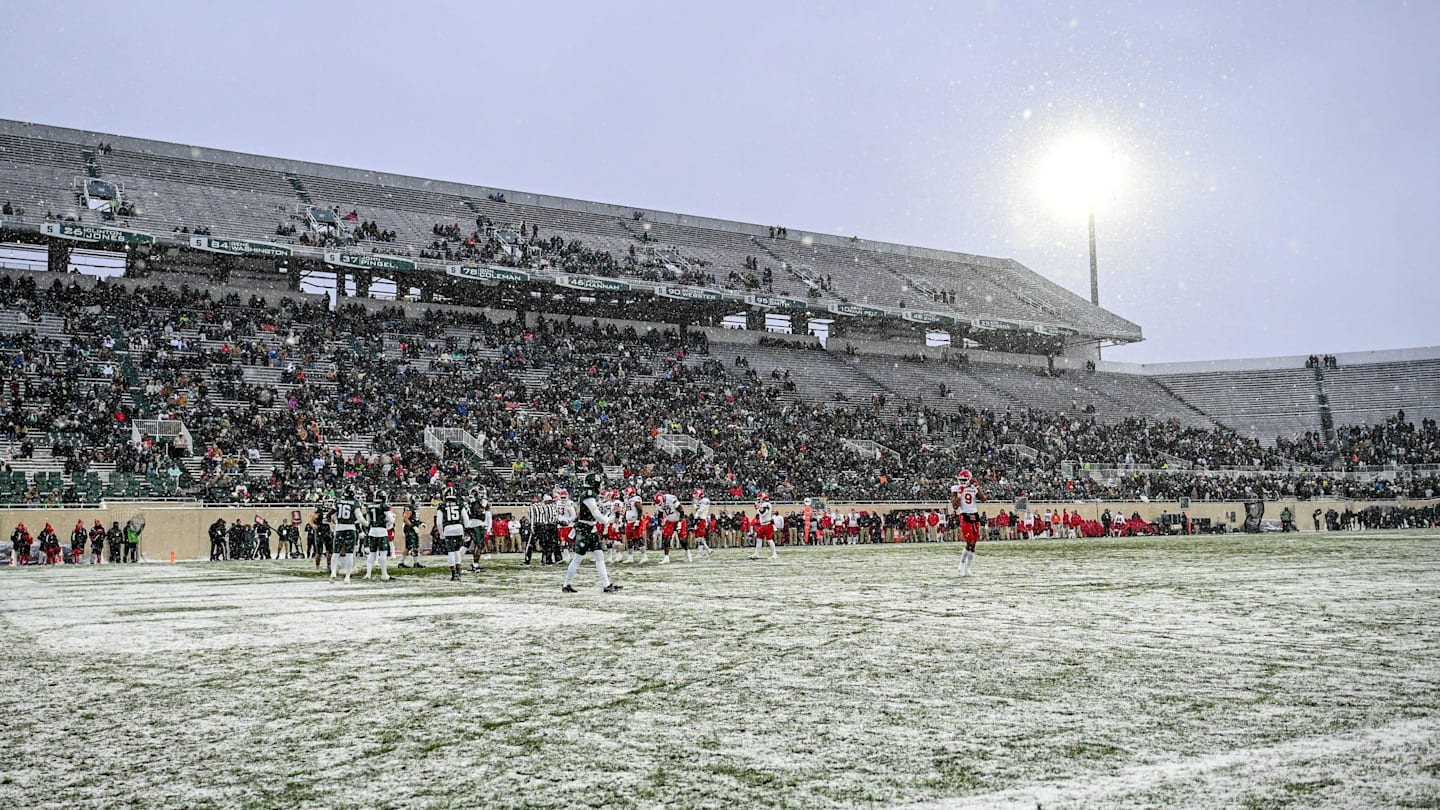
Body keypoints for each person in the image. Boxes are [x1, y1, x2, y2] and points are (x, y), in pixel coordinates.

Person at [561, 471, 622, 594]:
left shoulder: (589, 494)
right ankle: (566, 584)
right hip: (585, 529)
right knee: (578, 558)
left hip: (590, 528)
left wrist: (610, 515)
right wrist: (607, 519)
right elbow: (596, 514)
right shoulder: (588, 495)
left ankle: (606, 584)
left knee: (599, 556)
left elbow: (597, 516)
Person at [951, 469, 982, 576]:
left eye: (965, 479)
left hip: (975, 515)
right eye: (961, 480)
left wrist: (977, 487)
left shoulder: (973, 488)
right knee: (969, 542)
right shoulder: (956, 488)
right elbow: (955, 505)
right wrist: (960, 494)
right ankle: (961, 564)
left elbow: (984, 499)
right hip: (964, 515)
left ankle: (968, 568)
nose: (962, 481)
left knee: (973, 544)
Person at [436, 486, 470, 582]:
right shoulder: (460, 504)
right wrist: (466, 530)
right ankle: (458, 571)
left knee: (451, 551)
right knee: (457, 550)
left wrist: (441, 534)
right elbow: (466, 518)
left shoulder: (442, 506)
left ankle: (454, 573)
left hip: (448, 528)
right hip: (459, 528)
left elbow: (439, 522)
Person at [331, 484, 361, 582]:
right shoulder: (355, 502)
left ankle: (333, 573)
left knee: (335, 553)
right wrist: (367, 524)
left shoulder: (338, 501)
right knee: (349, 553)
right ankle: (347, 576)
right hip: (350, 528)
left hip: (339, 528)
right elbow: (359, 517)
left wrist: (335, 522)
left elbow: (330, 515)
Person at [362, 488, 394, 581]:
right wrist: (388, 524)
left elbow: (367, 521)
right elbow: (391, 519)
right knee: (383, 554)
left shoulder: (370, 506)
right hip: (382, 531)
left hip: (372, 531)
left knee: (372, 554)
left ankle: (368, 574)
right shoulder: (384, 506)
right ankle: (384, 574)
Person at [655, 491, 688, 563]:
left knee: (682, 540)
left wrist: (679, 522)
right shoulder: (659, 503)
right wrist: (659, 525)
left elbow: (682, 511)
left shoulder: (671, 499)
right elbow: (660, 514)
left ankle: (687, 554)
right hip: (669, 521)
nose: (660, 505)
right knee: (666, 538)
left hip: (679, 519)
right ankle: (666, 558)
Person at [466, 486, 491, 572]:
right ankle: (475, 564)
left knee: (477, 545)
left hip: (474, 524)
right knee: (479, 545)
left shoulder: (473, 501)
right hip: (476, 524)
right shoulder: (475, 501)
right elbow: (478, 511)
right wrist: (483, 504)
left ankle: (474, 563)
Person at [749, 492, 778, 560]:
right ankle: (756, 553)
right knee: (759, 539)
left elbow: (763, 513)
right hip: (763, 524)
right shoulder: (765, 504)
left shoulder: (766, 504)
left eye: (760, 498)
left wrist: (757, 508)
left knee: (769, 540)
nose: (759, 500)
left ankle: (774, 554)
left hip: (767, 524)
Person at [398, 497, 425, 568]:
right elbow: (405, 519)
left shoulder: (415, 508)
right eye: (417, 501)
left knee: (411, 546)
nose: (418, 502)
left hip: (412, 528)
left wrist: (421, 523)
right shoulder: (409, 507)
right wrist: (413, 526)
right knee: (412, 546)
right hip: (409, 529)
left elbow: (415, 519)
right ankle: (405, 563)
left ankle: (407, 563)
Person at [690, 488, 714, 559]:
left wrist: (695, 505)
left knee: (700, 537)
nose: (695, 496)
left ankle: (701, 553)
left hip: (702, 520)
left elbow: (700, 511)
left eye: (696, 494)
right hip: (698, 520)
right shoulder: (701, 501)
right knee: (698, 537)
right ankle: (708, 550)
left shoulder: (705, 500)